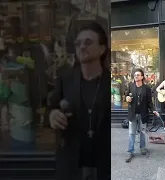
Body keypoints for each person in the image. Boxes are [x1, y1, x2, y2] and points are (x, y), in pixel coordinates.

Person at [48, 22, 110, 180]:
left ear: (102, 49)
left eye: (88, 42)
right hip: (71, 166)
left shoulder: (110, 81)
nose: (82, 47)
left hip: (105, 166)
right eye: (78, 43)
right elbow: (51, 107)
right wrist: (53, 114)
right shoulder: (65, 78)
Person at [125, 68, 159, 163]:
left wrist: (154, 110)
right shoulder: (130, 86)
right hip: (133, 113)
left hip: (143, 113)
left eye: (138, 75)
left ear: (142, 77)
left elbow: (149, 102)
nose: (136, 76)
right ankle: (130, 151)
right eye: (135, 75)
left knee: (143, 132)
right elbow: (126, 95)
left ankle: (142, 147)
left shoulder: (147, 88)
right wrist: (127, 98)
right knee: (131, 133)